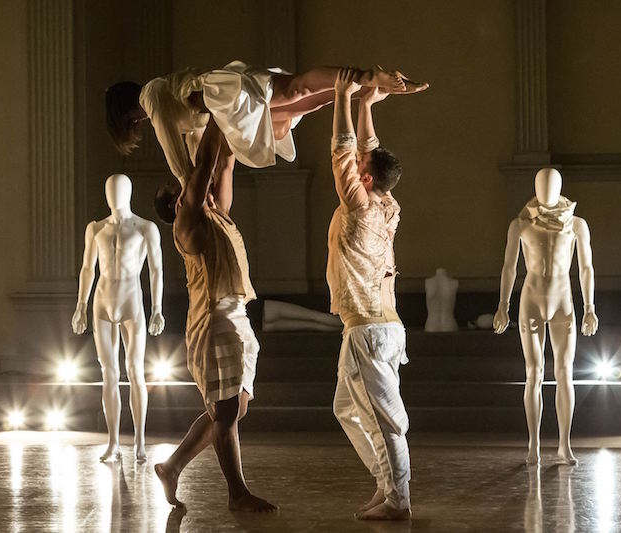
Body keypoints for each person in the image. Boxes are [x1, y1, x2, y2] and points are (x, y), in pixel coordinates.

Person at [153, 115, 276, 512]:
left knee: (233, 408)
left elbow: (222, 164)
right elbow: (204, 164)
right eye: (189, 187)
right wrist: (216, 112)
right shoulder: (187, 222)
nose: (199, 187)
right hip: (214, 320)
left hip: (237, 315)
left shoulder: (216, 214)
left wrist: (230, 119)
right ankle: (237, 493)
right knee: (225, 411)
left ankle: (171, 466)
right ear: (179, 202)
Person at [105, 61, 428, 183]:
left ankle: (371, 75)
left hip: (223, 94)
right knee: (310, 102)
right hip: (225, 110)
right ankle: (369, 90)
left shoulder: (150, 93)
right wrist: (202, 180)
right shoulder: (161, 104)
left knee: (295, 88)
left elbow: (170, 145)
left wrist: (186, 181)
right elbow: (195, 144)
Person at [327, 68, 411, 521]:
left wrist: (343, 94)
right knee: (346, 407)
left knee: (385, 420)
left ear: (365, 178)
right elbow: (365, 154)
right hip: (378, 327)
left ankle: (398, 497)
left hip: (370, 330)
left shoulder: (359, 209)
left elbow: (344, 153)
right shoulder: (389, 205)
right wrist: (365, 106)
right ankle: (387, 485)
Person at [493, 168, 599, 465]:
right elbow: (509, 267)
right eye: (542, 185)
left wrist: (590, 307)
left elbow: (586, 268)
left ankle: (564, 444)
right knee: (534, 373)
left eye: (552, 185)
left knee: (566, 373)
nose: (547, 190)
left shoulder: (577, 225)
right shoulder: (521, 225)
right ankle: (534, 445)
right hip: (532, 300)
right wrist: (504, 304)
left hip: (563, 300)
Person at [72, 174, 165, 463]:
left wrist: (157, 308)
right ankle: (113, 441)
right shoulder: (96, 229)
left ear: (129, 192)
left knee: (135, 371)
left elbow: (156, 270)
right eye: (110, 190)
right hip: (102, 299)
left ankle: (139, 440)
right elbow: (88, 268)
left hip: (131, 300)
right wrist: (81, 305)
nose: (115, 194)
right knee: (108, 373)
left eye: (119, 189)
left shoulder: (145, 228)